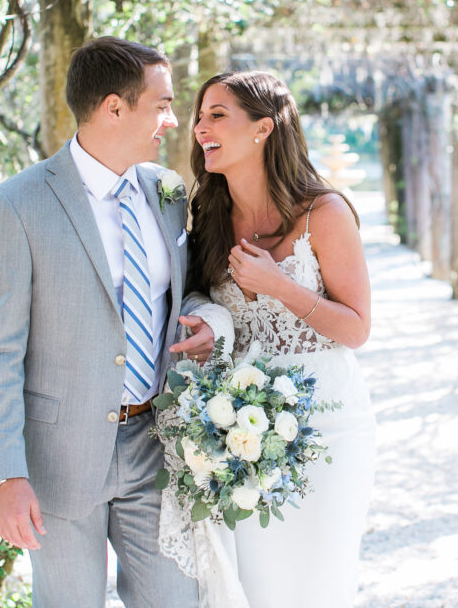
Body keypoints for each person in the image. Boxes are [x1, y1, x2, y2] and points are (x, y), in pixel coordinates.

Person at [0, 36, 231, 607]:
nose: (171, 120)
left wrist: (204, 320)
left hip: (156, 444)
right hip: (56, 459)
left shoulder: (167, 192)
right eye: (161, 104)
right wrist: (6, 476)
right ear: (114, 107)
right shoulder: (15, 206)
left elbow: (178, 295)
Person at [173, 70, 377, 606]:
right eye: (199, 115)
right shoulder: (209, 214)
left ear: (264, 128)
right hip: (239, 430)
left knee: (316, 583)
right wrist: (211, 328)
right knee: (256, 585)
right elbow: (197, 300)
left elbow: (356, 327)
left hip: (329, 427)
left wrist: (279, 286)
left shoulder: (324, 213)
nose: (199, 127)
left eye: (217, 115)